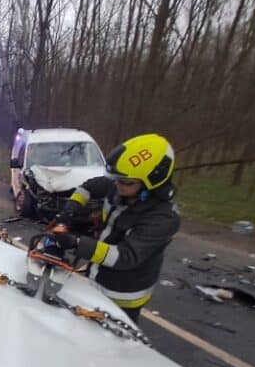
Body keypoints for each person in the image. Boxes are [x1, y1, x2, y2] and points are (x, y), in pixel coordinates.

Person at [47, 133, 180, 323]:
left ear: (151, 182)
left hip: (123, 296)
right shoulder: (123, 183)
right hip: (96, 279)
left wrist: (76, 243)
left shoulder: (164, 219)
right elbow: (89, 187)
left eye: (125, 183)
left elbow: (124, 257)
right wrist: (71, 209)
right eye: (116, 180)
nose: (117, 186)